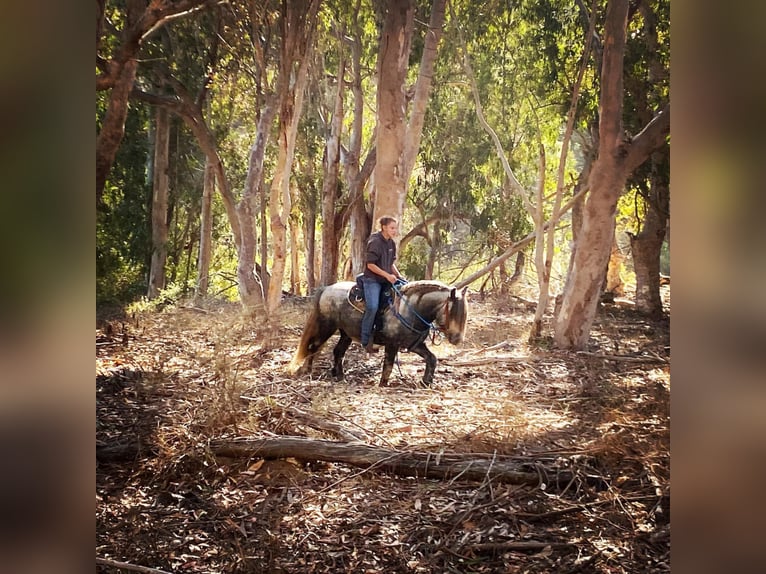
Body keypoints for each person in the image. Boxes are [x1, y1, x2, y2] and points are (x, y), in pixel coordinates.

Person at [360, 216, 404, 353]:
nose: (394, 231)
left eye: (395, 228)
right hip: (372, 280)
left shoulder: (391, 243)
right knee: (372, 307)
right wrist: (387, 276)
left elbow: (390, 264)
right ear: (384, 227)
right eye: (392, 228)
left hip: (386, 279)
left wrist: (399, 276)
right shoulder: (375, 241)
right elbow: (370, 265)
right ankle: (366, 340)